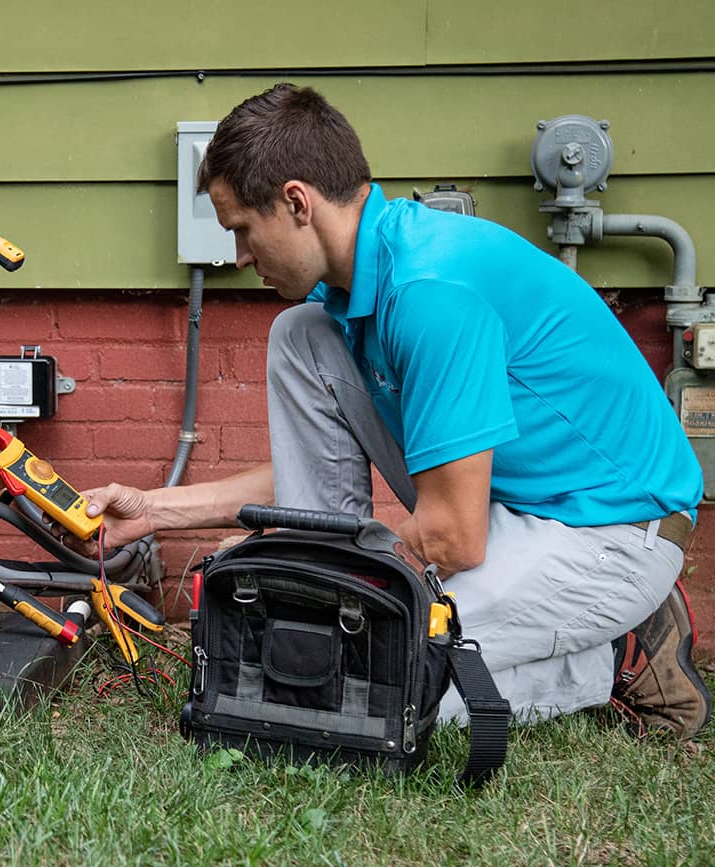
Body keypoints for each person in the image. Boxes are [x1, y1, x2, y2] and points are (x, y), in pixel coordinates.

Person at [85, 83, 711, 739]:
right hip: (515, 505)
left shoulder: (430, 291)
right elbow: (315, 472)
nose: (240, 257)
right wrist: (156, 509)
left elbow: (453, 538)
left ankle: (620, 651)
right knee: (298, 336)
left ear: (297, 202)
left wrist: (349, 602)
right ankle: (341, 597)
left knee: (361, 690)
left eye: (243, 229)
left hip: (609, 532)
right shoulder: (362, 289)